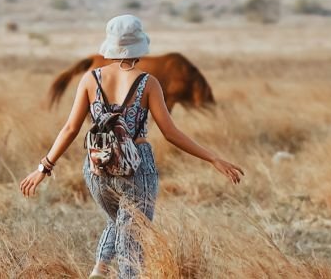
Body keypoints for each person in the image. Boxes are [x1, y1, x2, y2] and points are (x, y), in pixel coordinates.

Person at [19, 15, 244, 278]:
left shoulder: (91, 79)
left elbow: (70, 129)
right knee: (133, 238)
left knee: (119, 223)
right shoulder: (148, 83)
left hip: (97, 168)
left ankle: (99, 270)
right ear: (139, 47)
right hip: (137, 168)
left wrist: (43, 168)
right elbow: (170, 132)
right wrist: (213, 158)